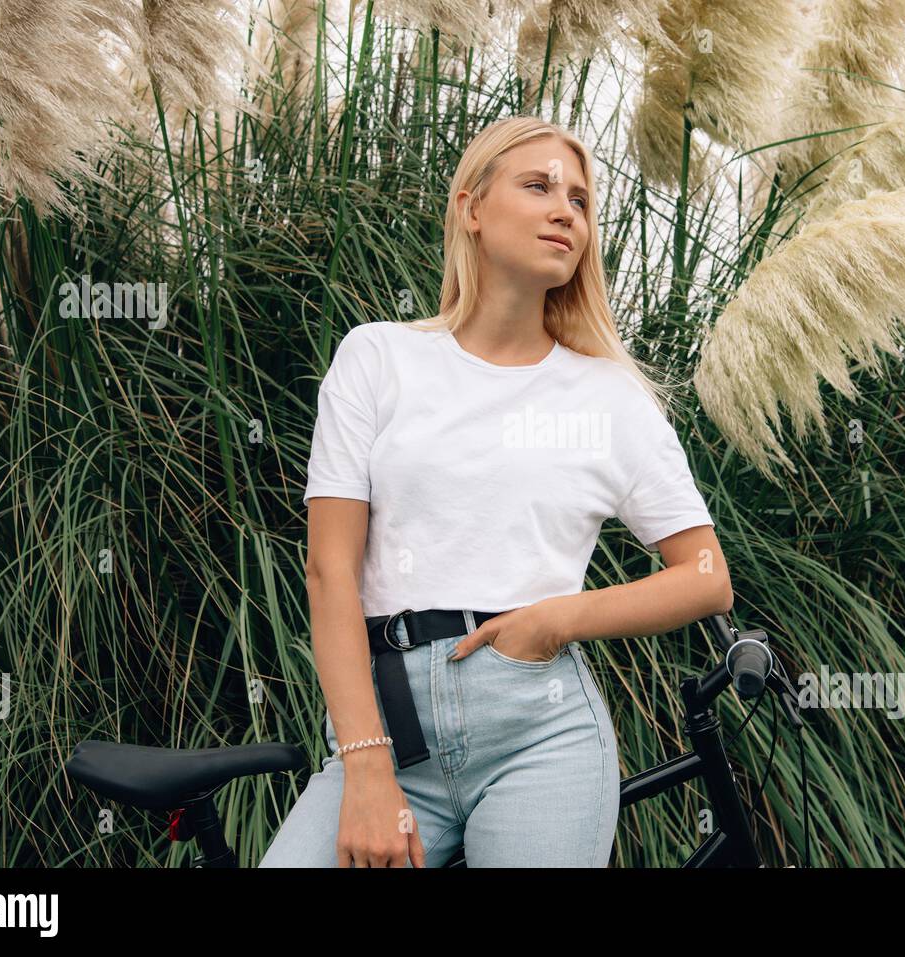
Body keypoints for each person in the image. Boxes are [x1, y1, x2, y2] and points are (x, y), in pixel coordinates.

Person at [259, 115, 733, 868]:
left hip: (541, 730)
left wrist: (555, 619)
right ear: (470, 209)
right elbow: (329, 571)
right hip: (386, 727)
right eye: (539, 186)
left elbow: (707, 576)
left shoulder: (608, 397)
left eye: (579, 201)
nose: (564, 211)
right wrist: (369, 769)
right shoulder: (378, 358)